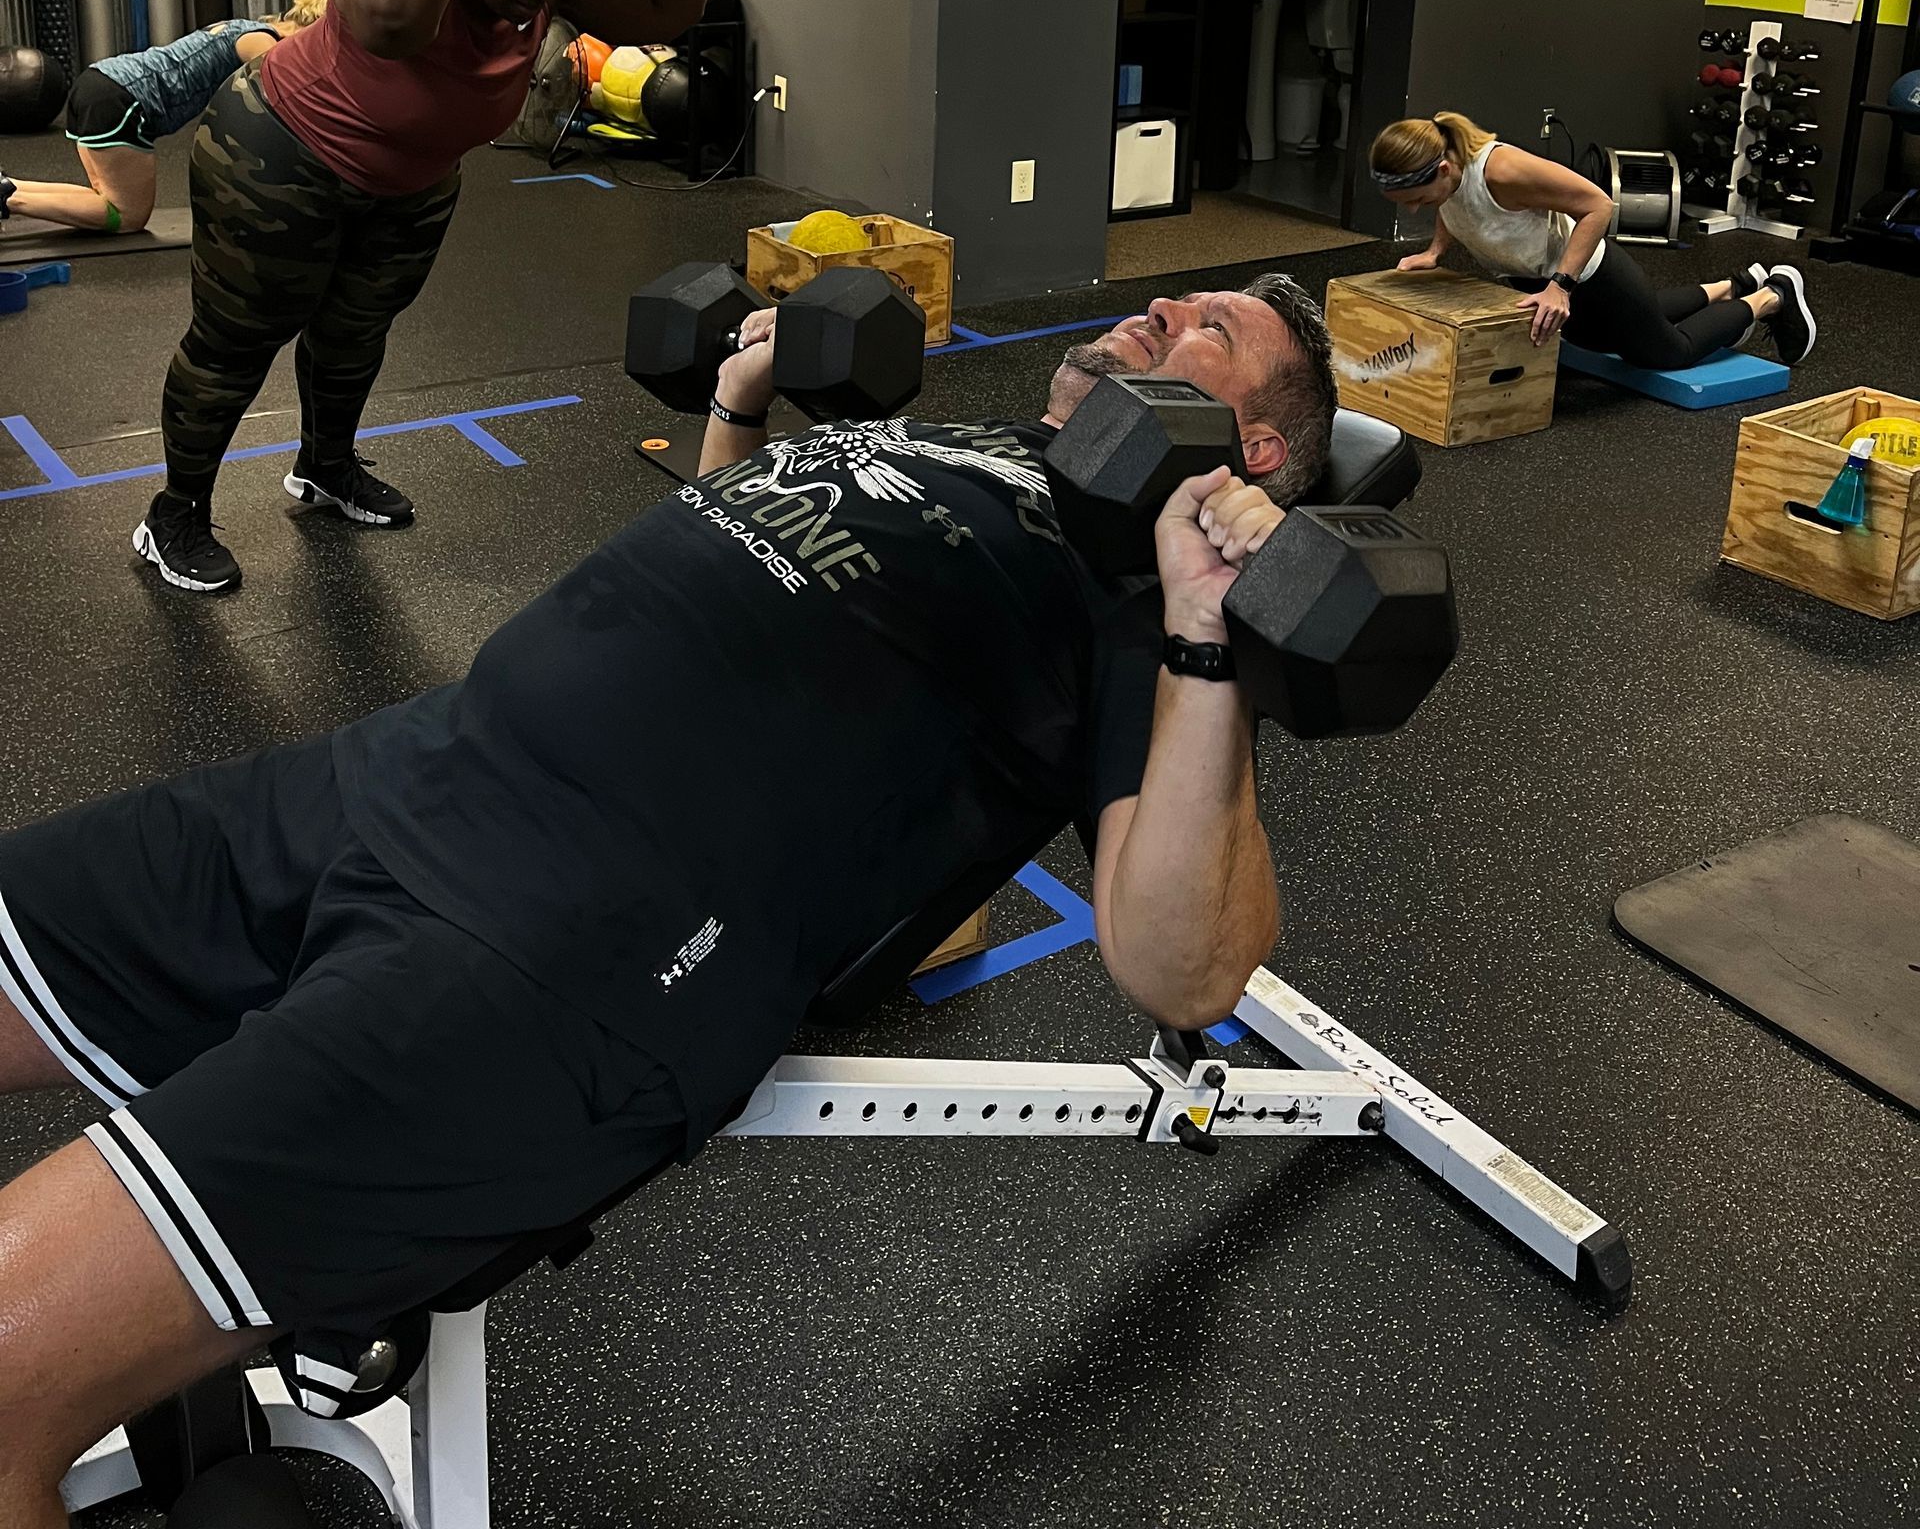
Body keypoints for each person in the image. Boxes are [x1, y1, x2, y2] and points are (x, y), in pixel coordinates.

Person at [0, 274, 1330, 1516]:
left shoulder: (1128, 607)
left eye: (1208, 329)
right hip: (394, 776)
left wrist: (1207, 626)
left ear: (1252, 452)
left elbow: (1188, 973)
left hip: (566, 949)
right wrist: (737, 408)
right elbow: (759, 554)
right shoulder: (977, 445)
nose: (1161, 304)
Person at [132, 0, 711, 599]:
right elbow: (392, 28)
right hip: (278, 153)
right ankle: (176, 515)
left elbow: (671, 9)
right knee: (236, 346)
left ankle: (326, 469)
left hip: (409, 181)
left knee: (356, 334)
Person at [1369, 111, 1816, 367]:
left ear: (1443, 169)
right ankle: (1732, 286)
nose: (1414, 208)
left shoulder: (1502, 171)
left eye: (1417, 198)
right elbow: (1454, 205)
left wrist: (1561, 286)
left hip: (1590, 275)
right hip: (1538, 281)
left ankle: (1772, 296)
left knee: (1665, 352)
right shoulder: (1448, 171)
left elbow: (1598, 204)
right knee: (1617, 334)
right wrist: (1435, 250)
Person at [0, 0, 329, 235]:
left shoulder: (245, 26)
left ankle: (7, 185)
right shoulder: (263, 43)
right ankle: (8, 200)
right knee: (126, 216)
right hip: (122, 99)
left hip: (101, 83)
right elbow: (285, 101)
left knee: (104, 195)